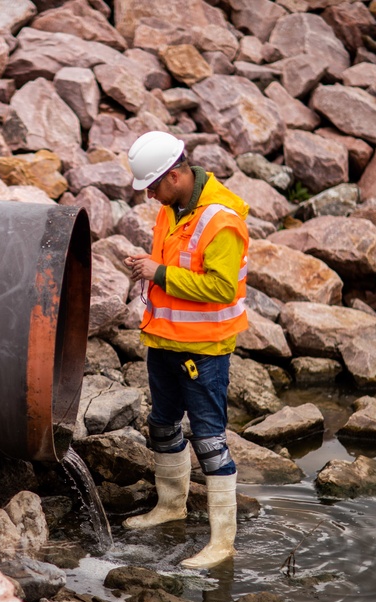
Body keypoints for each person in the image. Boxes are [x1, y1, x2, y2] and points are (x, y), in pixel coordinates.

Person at [121, 131, 250, 569]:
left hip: (205, 349)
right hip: (165, 339)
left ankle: (223, 542)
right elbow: (173, 263)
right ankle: (171, 505)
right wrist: (149, 267)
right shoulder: (172, 208)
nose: (150, 196)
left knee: (210, 441)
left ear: (175, 175)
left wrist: (158, 272)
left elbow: (220, 287)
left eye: (153, 186)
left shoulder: (221, 218)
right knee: (162, 425)